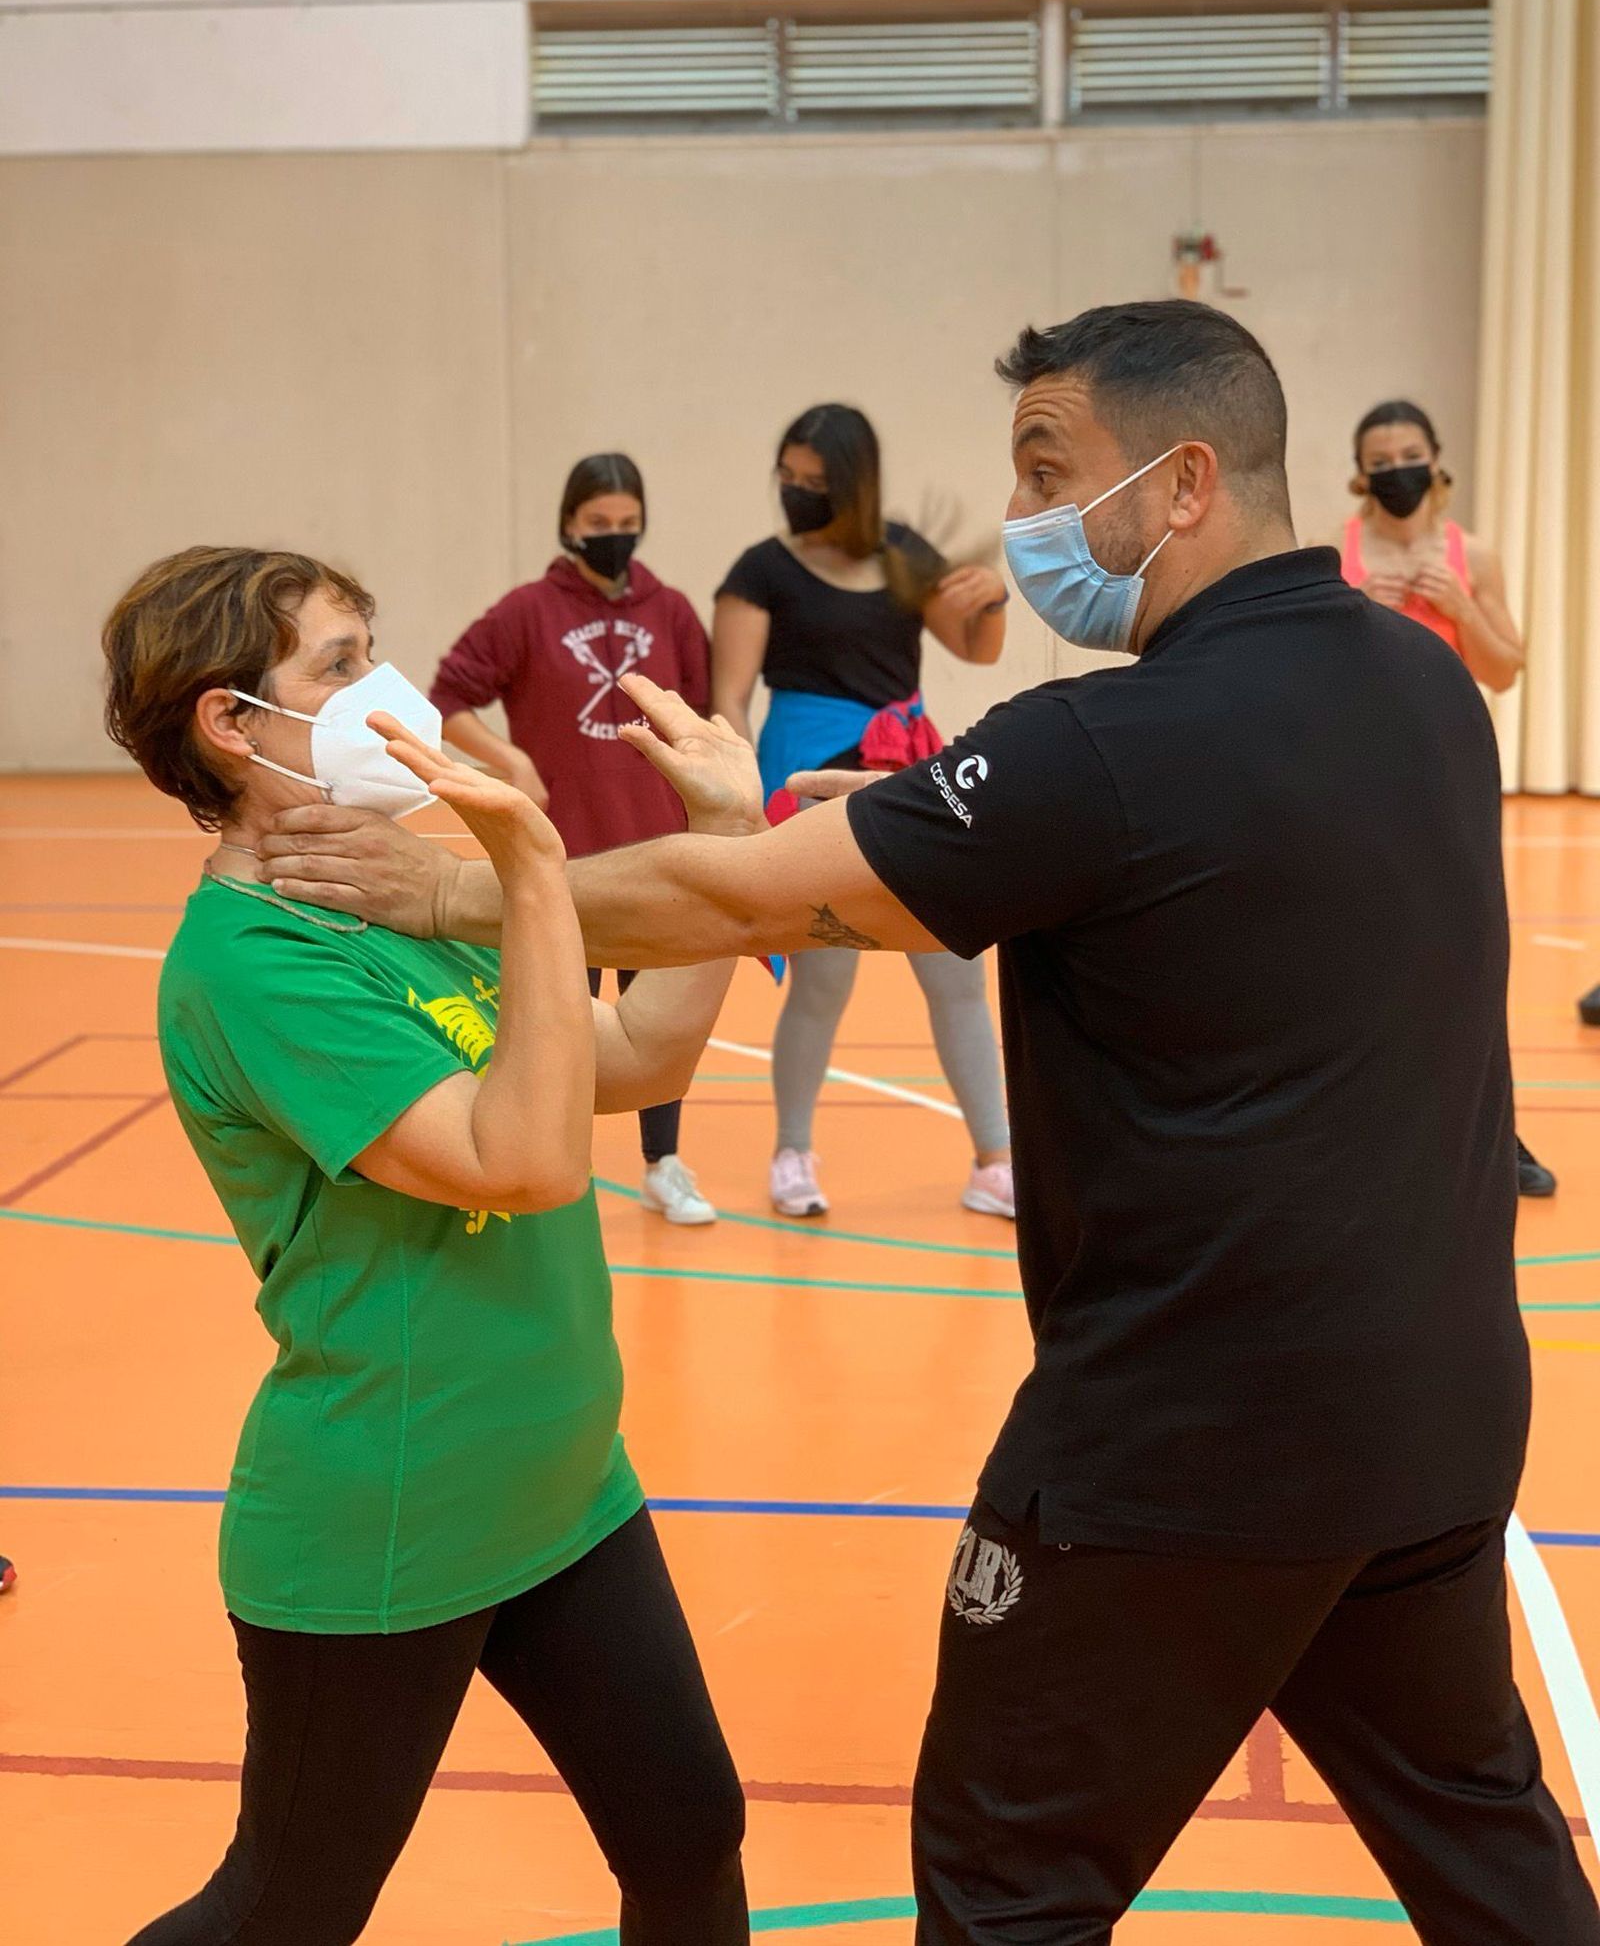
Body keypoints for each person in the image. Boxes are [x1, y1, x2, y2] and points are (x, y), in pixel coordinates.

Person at [264, 302, 1600, 1945]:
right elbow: (1185, 871)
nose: (1027, 520)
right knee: (1494, 1859)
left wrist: (476, 886)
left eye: (1052, 471)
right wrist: (914, 824)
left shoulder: (1103, 749)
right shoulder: (1420, 686)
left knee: (1007, 1893)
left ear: (1183, 481)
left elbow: (726, 885)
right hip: (1439, 1412)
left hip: (1182, 1453)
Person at [103, 546, 748, 1946]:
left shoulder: (395, 892)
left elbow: (631, 1050)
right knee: (284, 1907)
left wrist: (729, 839)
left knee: (690, 1837)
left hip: (564, 1480)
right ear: (230, 722)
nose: (381, 687)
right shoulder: (252, 963)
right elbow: (524, 1160)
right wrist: (523, 852)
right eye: (338, 666)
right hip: (390, 1511)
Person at [713, 403, 1015, 1219]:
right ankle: (793, 1151)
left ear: (856, 484)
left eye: (816, 482)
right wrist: (742, 801)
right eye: (789, 477)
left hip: (909, 772)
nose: (798, 493)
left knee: (955, 966)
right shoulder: (760, 570)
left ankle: (995, 1158)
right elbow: (729, 696)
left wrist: (991, 599)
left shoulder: (906, 555)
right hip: (807, 780)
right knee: (824, 976)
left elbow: (976, 644)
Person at [430, 452, 719, 1226]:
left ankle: (664, 1163)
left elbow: (700, 718)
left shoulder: (674, 612)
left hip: (658, 853)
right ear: (569, 524)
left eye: (627, 526)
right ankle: (562, 1161)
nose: (614, 539)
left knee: (655, 1022)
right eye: (599, 526)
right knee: (557, 1020)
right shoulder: (526, 611)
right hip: (564, 861)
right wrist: (507, 757)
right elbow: (449, 694)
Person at [1341, 400, 1556, 1201]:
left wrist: (1461, 608)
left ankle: (1496, 1133)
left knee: (1471, 954)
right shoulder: (1342, 550)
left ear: (1436, 459)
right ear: (1361, 473)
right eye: (1381, 455)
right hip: (1363, 774)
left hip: (1453, 770)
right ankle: (1374, 1130)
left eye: (1410, 451)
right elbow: (1317, 669)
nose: (1397, 466)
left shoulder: (1475, 553)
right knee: (1371, 952)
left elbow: (1506, 667)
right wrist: (1371, 613)